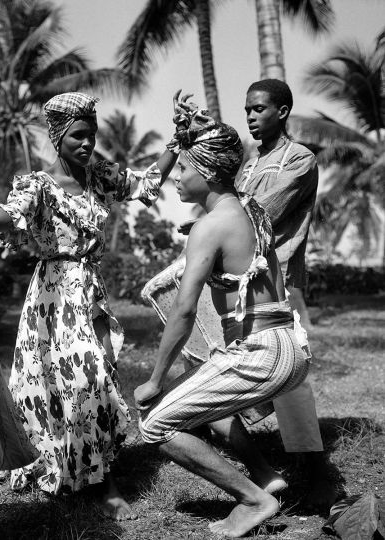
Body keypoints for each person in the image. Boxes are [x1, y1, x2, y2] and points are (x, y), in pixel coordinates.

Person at [0, 91, 178, 520]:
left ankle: (100, 477)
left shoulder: (99, 177)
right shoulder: (38, 185)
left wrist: (175, 144)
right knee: (58, 384)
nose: (87, 144)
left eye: (92, 136)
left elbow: (144, 182)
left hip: (89, 291)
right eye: (78, 136)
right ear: (57, 137)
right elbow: (11, 213)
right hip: (52, 295)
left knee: (96, 379)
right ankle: (72, 473)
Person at [134, 95, 311, 538]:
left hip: (263, 354)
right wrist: (189, 128)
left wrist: (155, 379)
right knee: (200, 394)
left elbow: (185, 310)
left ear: (208, 173)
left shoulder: (209, 226)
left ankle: (254, 500)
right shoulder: (248, 209)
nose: (176, 177)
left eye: (185, 170)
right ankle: (266, 476)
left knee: (157, 423)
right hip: (290, 348)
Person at [209, 78, 336, 508]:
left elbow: (257, 212)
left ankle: (318, 476)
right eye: (246, 110)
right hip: (245, 281)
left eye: (259, 109)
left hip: (277, 280)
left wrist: (211, 228)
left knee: (289, 377)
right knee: (232, 362)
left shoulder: (298, 160)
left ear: (282, 111)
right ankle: (263, 466)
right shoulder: (249, 163)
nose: (250, 117)